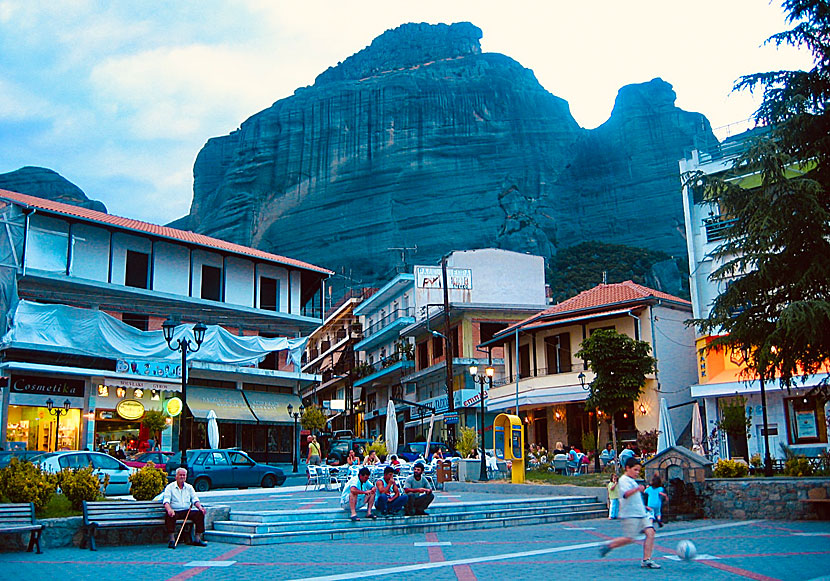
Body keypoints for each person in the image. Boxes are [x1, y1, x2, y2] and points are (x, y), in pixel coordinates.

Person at [599, 458, 661, 569]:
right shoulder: (623, 480)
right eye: (635, 470)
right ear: (627, 468)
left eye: (638, 470)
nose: (637, 472)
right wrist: (638, 489)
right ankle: (609, 545)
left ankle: (647, 560)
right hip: (630, 514)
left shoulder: (632, 480)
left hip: (641, 513)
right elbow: (626, 495)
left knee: (650, 533)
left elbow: (635, 499)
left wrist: (644, 507)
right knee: (630, 538)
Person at [162, 467, 207, 548]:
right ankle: (172, 540)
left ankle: (197, 539)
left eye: (184, 475)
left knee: (200, 514)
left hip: (187, 511)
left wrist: (200, 507)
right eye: (180, 475)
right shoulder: (170, 487)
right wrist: (169, 510)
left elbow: (195, 499)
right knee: (169, 516)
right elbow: (166, 501)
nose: (182, 477)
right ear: (176, 476)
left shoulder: (189, 487)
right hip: (175, 511)